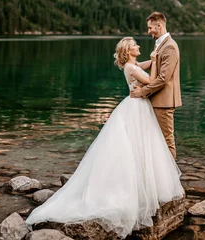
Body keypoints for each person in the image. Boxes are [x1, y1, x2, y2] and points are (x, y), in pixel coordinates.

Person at [25, 37, 184, 238]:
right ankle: (137, 189)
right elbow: (152, 81)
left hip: (137, 107)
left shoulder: (133, 65)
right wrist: (153, 62)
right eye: (135, 45)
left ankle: (143, 184)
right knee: (137, 145)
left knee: (140, 146)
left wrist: (155, 58)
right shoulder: (131, 68)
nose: (138, 46)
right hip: (137, 107)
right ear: (128, 50)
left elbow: (147, 64)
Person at [130, 12, 181, 159]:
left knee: (166, 141)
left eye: (150, 27)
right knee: (157, 140)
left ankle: (172, 180)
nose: (148, 31)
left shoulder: (170, 47)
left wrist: (142, 92)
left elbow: (164, 78)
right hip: (157, 100)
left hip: (164, 102)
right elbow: (155, 66)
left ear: (159, 25)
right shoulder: (160, 44)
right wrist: (134, 66)